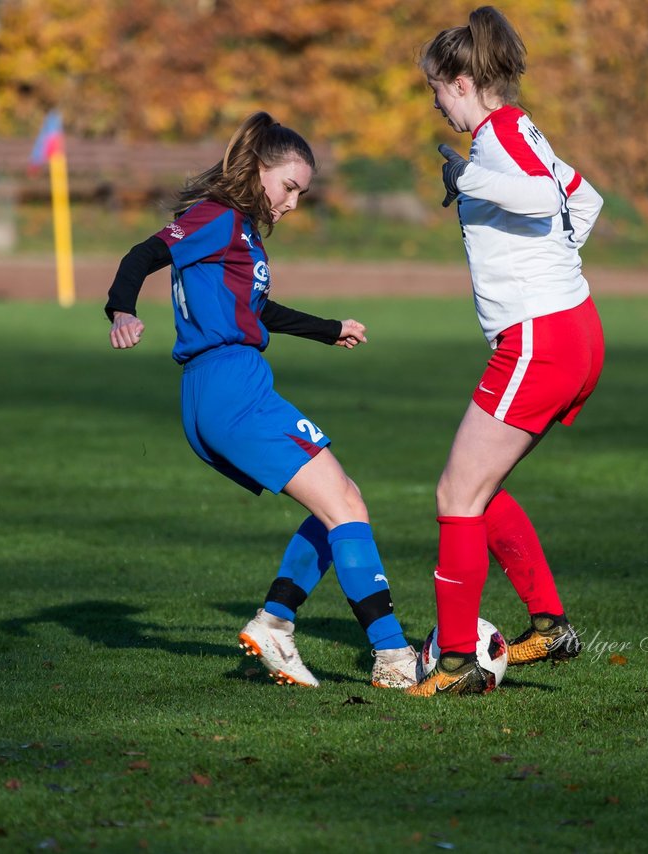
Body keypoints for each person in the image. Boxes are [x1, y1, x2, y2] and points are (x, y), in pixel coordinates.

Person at [105, 111, 419, 690]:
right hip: (231, 387)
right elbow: (141, 256)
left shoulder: (239, 233)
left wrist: (329, 329)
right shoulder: (218, 219)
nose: (293, 203)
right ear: (257, 169)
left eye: (302, 192)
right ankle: (394, 657)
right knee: (345, 507)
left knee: (338, 505)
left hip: (218, 388)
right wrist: (121, 308)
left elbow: (256, 311)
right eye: (289, 187)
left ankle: (276, 622)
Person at [406, 7, 606, 697]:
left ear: (461, 82)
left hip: (540, 340)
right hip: (571, 332)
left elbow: (538, 192)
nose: (433, 100)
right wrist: (551, 265)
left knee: (455, 494)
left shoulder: (498, 138)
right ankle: (549, 627)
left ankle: (457, 660)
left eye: (435, 86)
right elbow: (585, 200)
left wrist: (468, 180)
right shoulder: (521, 130)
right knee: (481, 488)